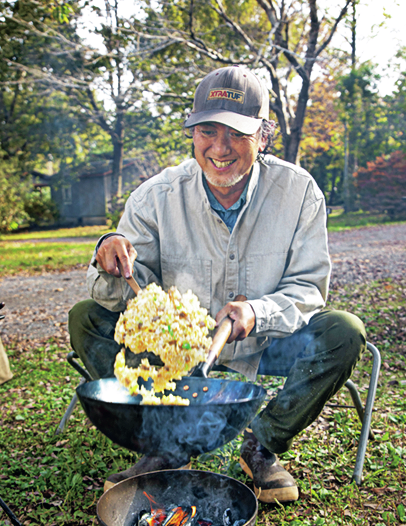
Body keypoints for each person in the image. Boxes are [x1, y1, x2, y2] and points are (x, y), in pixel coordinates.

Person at [69, 65, 366, 503]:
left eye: (237, 134)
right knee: (86, 317)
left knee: (344, 330)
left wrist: (256, 311)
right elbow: (135, 289)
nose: (220, 148)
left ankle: (261, 445)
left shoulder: (300, 192)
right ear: (193, 133)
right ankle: (165, 444)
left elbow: (309, 288)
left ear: (263, 137)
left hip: (267, 345)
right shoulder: (154, 197)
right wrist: (110, 260)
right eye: (208, 131)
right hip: (181, 352)